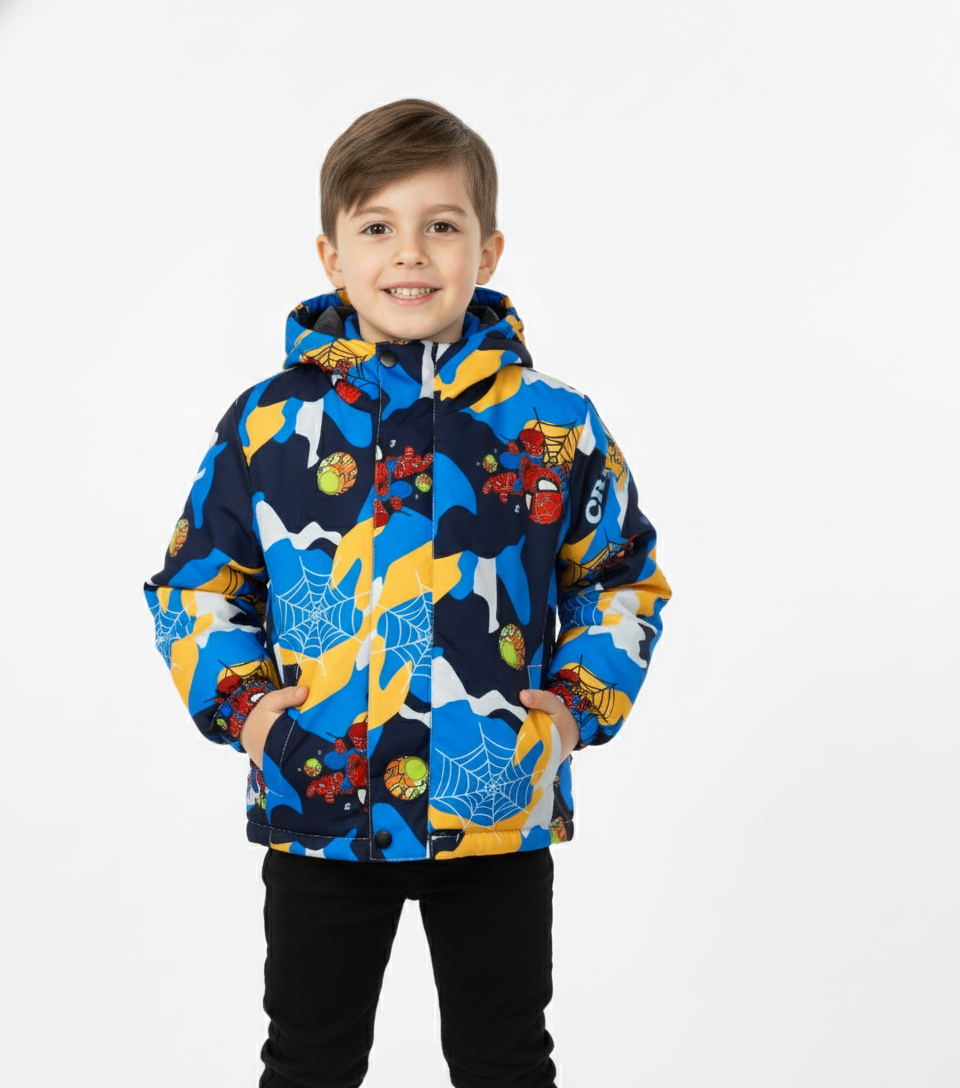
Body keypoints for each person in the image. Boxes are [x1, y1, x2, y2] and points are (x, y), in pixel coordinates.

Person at [144, 98, 672, 1088]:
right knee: (309, 1058)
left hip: (495, 803)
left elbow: (620, 580)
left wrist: (574, 707)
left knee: (505, 1059)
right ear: (331, 255)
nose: (411, 253)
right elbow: (196, 586)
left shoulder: (554, 425)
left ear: (489, 249)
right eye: (378, 227)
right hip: (320, 800)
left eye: (442, 225)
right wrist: (250, 711)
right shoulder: (266, 424)